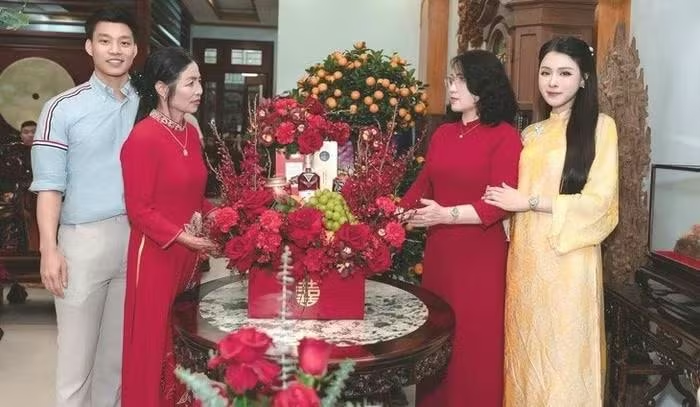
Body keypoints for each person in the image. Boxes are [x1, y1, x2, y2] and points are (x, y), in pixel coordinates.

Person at [484, 36, 619, 406]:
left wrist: (528, 202)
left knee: (562, 357)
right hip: (525, 259)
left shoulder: (601, 127)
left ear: (584, 78)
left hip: (568, 260)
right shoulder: (531, 133)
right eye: (546, 73)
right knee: (525, 351)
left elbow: (601, 203)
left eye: (564, 73)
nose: (553, 82)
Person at [399, 50, 522, 406]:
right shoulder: (443, 133)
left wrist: (444, 215)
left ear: (484, 85)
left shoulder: (505, 137)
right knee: (436, 342)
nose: (452, 88)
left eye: (461, 80)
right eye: (451, 80)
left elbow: (497, 205)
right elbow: (422, 186)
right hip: (440, 255)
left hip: (480, 258)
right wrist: (391, 216)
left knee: (473, 345)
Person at [29, 7, 138, 407]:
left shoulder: (146, 104)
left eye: (124, 42)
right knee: (76, 366)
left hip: (136, 239)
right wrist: (49, 249)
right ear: (90, 46)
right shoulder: (61, 108)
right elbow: (48, 187)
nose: (115, 50)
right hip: (83, 241)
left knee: (116, 363)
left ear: (135, 49)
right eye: (105, 41)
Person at [120, 46, 217, 407]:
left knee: (182, 337)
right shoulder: (143, 138)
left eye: (199, 81)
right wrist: (184, 237)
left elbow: (195, 197)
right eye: (190, 83)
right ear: (163, 88)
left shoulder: (189, 132)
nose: (199, 90)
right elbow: (139, 210)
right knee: (154, 339)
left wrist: (222, 217)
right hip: (157, 255)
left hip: (188, 256)